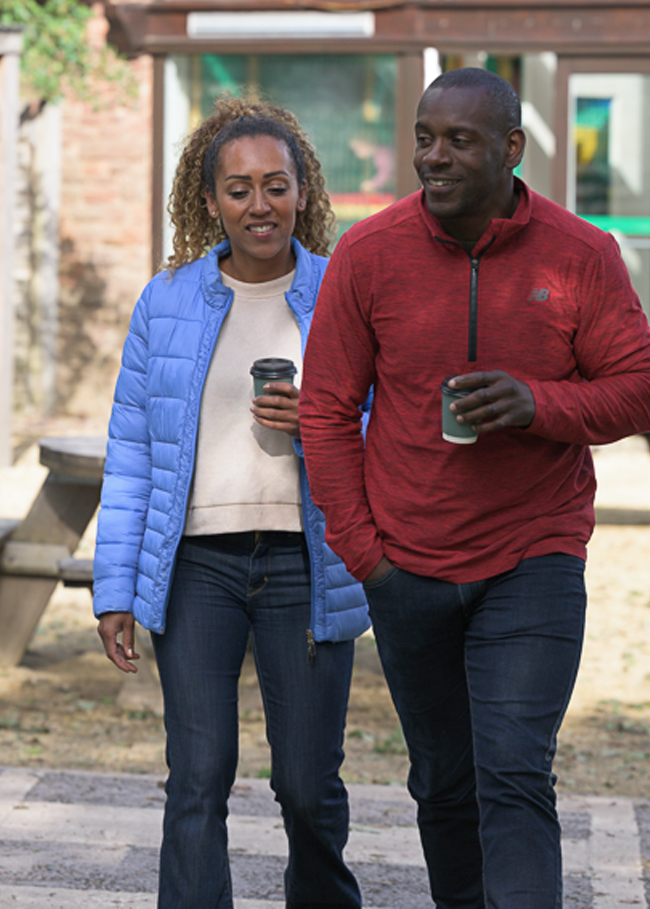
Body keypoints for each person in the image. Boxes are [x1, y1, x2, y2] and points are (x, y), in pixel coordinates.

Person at [299, 67, 650, 909]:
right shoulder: (369, 252)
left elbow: (636, 388)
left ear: (511, 149)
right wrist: (365, 551)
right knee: (444, 783)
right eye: (424, 137)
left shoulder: (582, 254)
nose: (434, 156)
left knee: (515, 772)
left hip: (534, 555)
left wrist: (540, 403)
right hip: (405, 566)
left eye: (459, 139)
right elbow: (326, 407)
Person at [93, 94, 369, 909]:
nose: (260, 204)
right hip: (197, 565)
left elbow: (386, 426)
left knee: (309, 784)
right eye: (240, 188)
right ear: (209, 199)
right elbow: (132, 452)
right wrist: (114, 588)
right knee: (198, 776)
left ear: (304, 192)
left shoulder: (343, 293)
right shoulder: (166, 300)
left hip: (306, 562)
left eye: (276, 185)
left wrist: (321, 422)